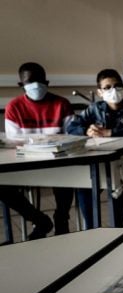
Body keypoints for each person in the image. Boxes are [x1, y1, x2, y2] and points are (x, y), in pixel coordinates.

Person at [66, 69, 123, 228]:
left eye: (117, 85)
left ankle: (118, 227)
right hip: (99, 159)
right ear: (99, 92)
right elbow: (72, 127)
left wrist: (110, 132)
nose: (114, 90)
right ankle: (91, 228)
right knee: (85, 188)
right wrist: (86, 131)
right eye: (107, 87)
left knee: (117, 187)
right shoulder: (95, 109)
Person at [4, 62, 74, 236]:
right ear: (21, 85)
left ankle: (62, 218)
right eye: (30, 81)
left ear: (47, 82)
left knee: (69, 174)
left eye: (40, 80)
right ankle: (39, 220)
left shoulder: (62, 104)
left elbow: (73, 137)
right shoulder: (14, 107)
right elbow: (14, 142)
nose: (36, 85)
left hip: (58, 162)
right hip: (25, 163)